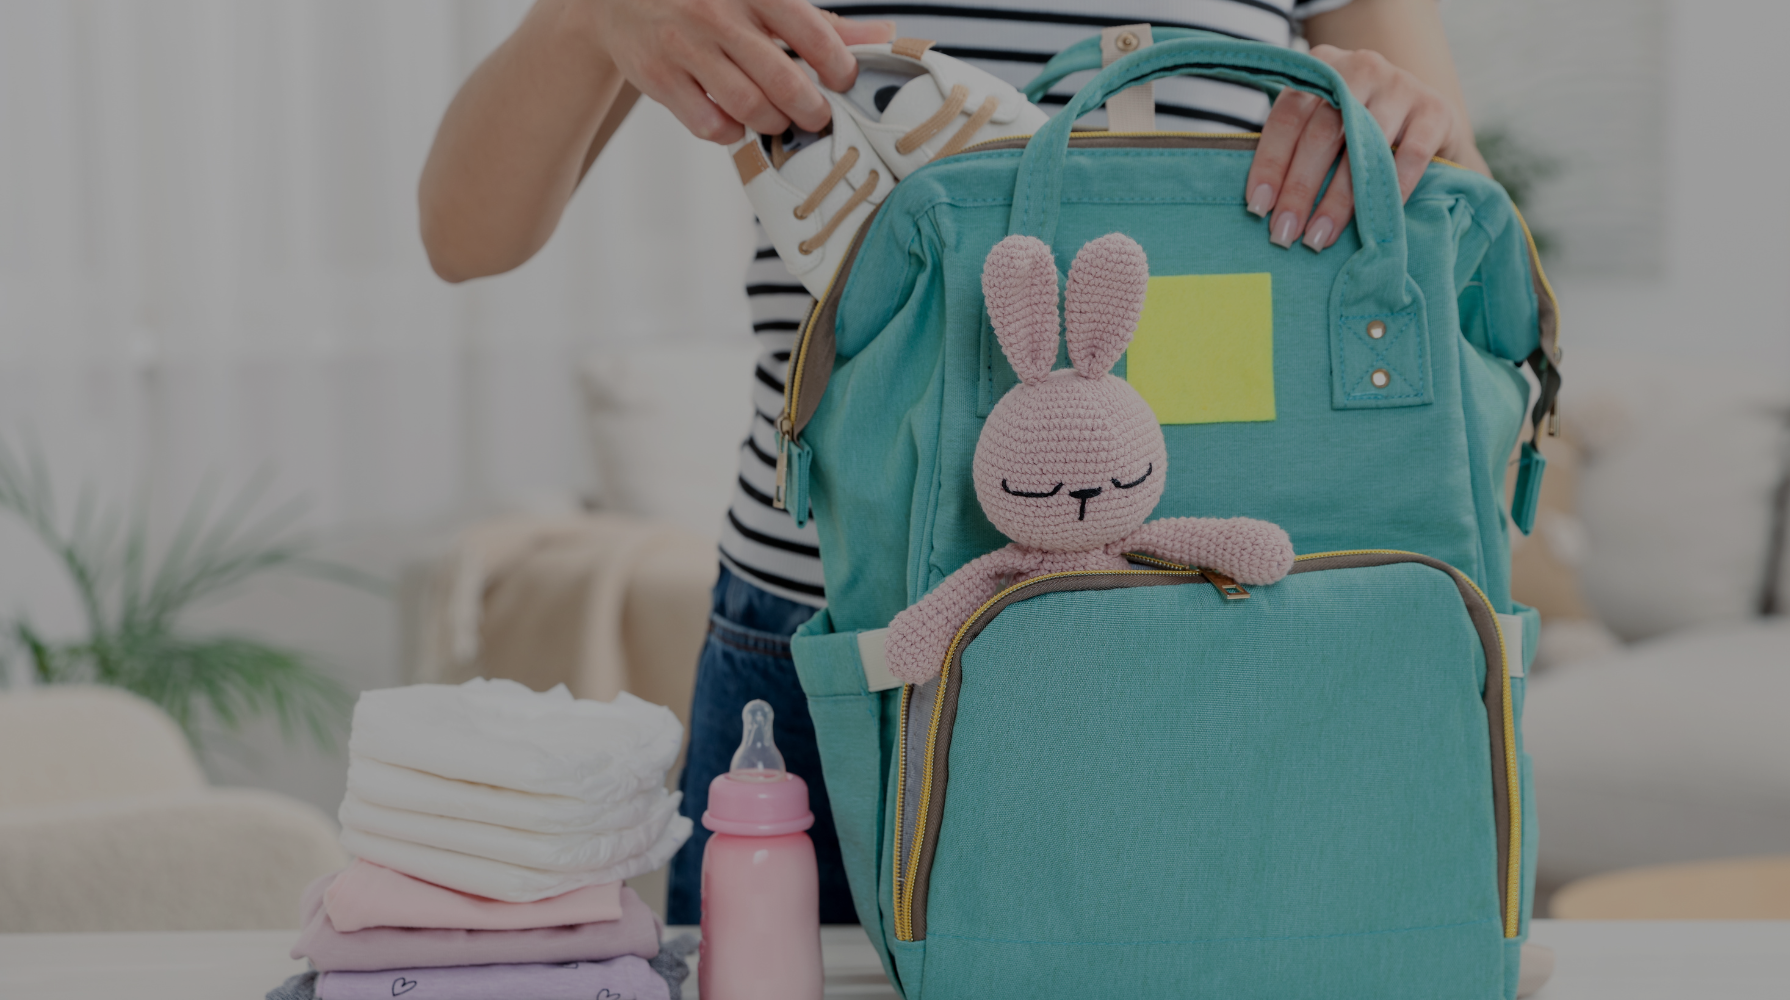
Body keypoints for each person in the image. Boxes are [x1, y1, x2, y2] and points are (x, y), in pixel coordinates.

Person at [419, 0, 1489, 925]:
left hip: (1219, 644)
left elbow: (1471, 242)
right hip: (835, 643)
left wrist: (1396, 121)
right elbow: (464, 234)